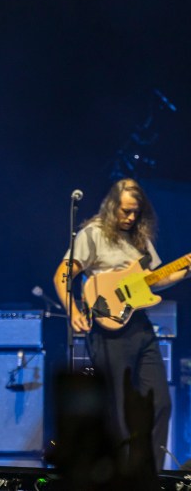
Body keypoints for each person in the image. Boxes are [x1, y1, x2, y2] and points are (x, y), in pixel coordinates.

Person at [53, 178, 186, 470]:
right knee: (120, 409)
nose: (130, 217)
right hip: (108, 328)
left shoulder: (139, 238)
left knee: (160, 402)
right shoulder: (93, 233)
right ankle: (123, 475)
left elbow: (154, 280)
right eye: (125, 211)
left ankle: (151, 474)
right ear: (112, 206)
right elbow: (62, 274)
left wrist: (183, 271)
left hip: (139, 324)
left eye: (136, 212)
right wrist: (73, 308)